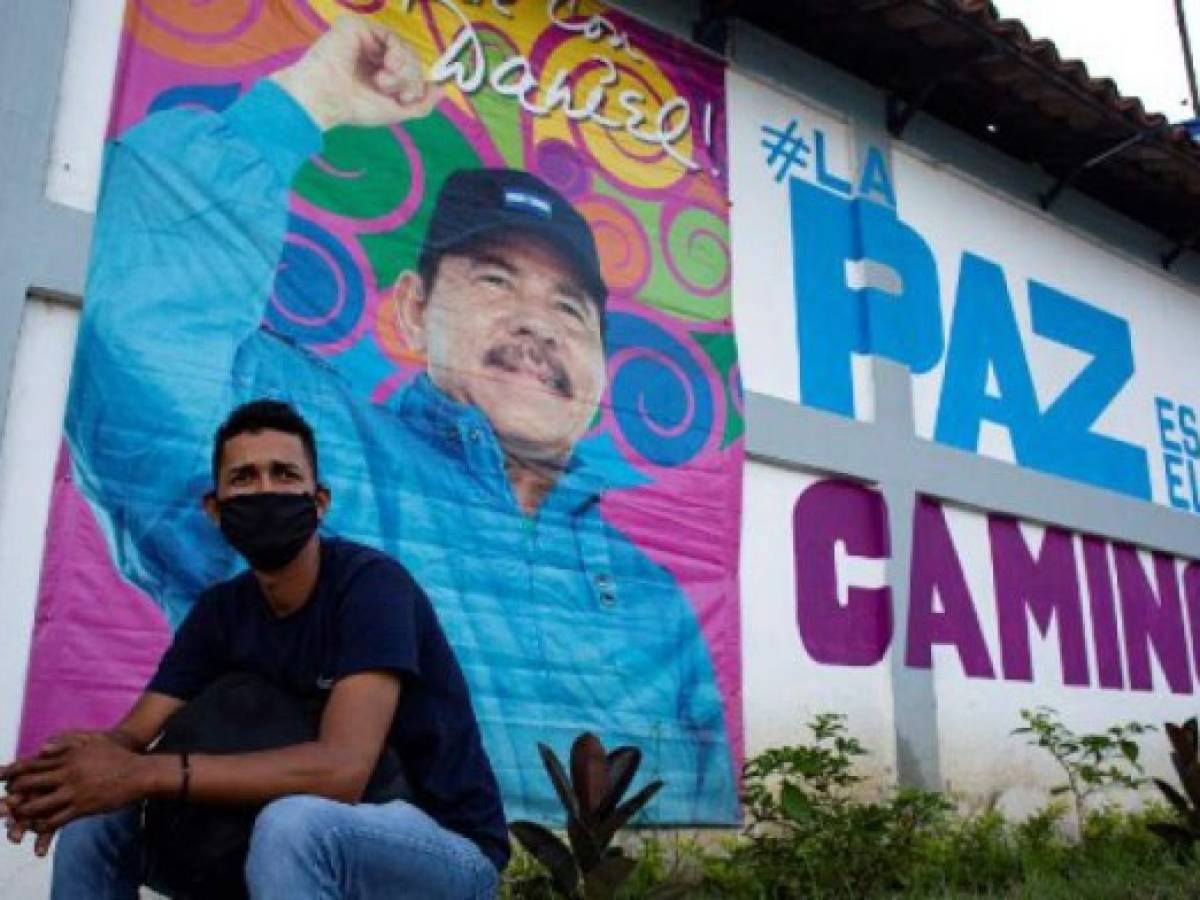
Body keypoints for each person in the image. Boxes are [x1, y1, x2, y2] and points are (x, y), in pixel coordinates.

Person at [55, 14, 736, 822]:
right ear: (413, 312)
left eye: (570, 307)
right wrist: (302, 103)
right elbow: (139, 333)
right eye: (494, 280)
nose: (538, 325)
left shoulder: (657, 597)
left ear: (601, 367)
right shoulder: (308, 443)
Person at [3, 400, 508, 899]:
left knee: (294, 824)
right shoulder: (221, 611)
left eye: (285, 475)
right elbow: (131, 738)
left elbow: (342, 770)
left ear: (320, 501)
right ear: (215, 509)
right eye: (244, 478)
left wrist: (150, 772)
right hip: (280, 833)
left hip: (443, 848)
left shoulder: (371, 587)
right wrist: (61, 779)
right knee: (98, 814)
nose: (266, 491)